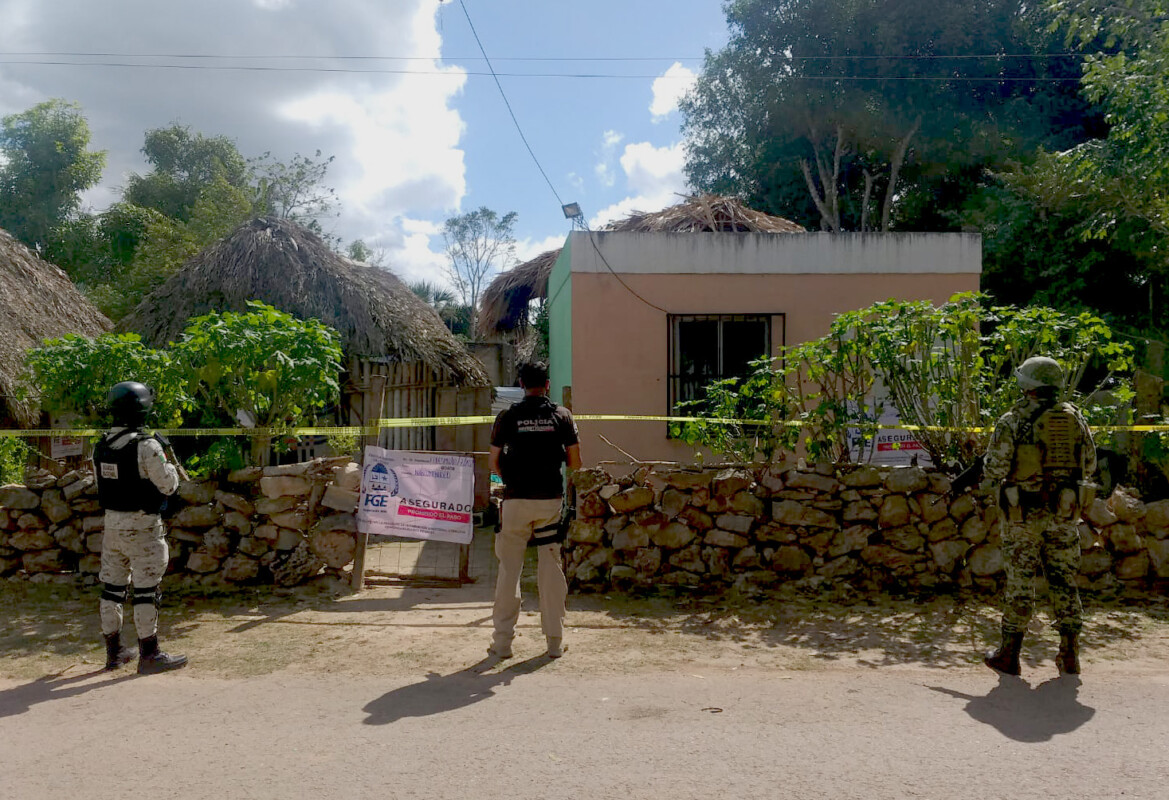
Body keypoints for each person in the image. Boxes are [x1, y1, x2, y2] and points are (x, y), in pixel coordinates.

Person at [982, 356, 1096, 676]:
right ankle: (1070, 655)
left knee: (1021, 582)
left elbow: (995, 468)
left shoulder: (1012, 420)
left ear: (1027, 385)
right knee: (1064, 581)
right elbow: (1089, 463)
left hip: (1023, 517)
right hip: (1063, 514)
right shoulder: (1075, 418)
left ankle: (1009, 655)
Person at [488, 362, 581, 660]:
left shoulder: (507, 416)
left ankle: (502, 644)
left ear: (521, 384)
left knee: (508, 570)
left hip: (515, 501)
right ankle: (554, 642)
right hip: (549, 502)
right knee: (551, 568)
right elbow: (575, 462)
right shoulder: (562, 416)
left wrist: (510, 479)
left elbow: (493, 461)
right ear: (548, 385)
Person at [94, 381, 188, 674]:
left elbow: (101, 485)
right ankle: (150, 654)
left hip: (112, 527)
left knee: (112, 589)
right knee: (146, 590)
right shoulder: (147, 446)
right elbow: (169, 485)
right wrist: (170, 462)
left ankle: (114, 653)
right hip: (143, 528)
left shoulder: (101, 445)